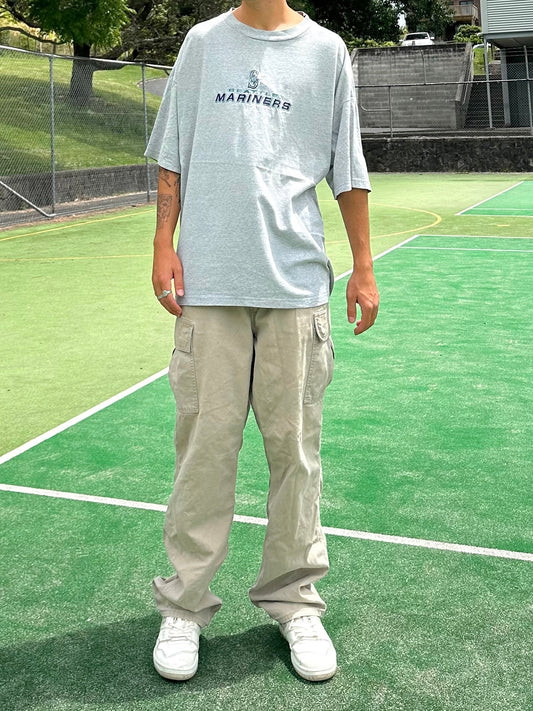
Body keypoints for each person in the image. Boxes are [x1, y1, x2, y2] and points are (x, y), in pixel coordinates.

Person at [145, 0, 379, 683]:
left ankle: (294, 600)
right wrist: (162, 243)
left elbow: (347, 166)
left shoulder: (327, 52)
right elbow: (172, 154)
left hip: (296, 288)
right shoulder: (201, 43)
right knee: (204, 454)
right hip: (209, 286)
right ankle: (184, 606)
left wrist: (363, 266)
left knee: (296, 455)